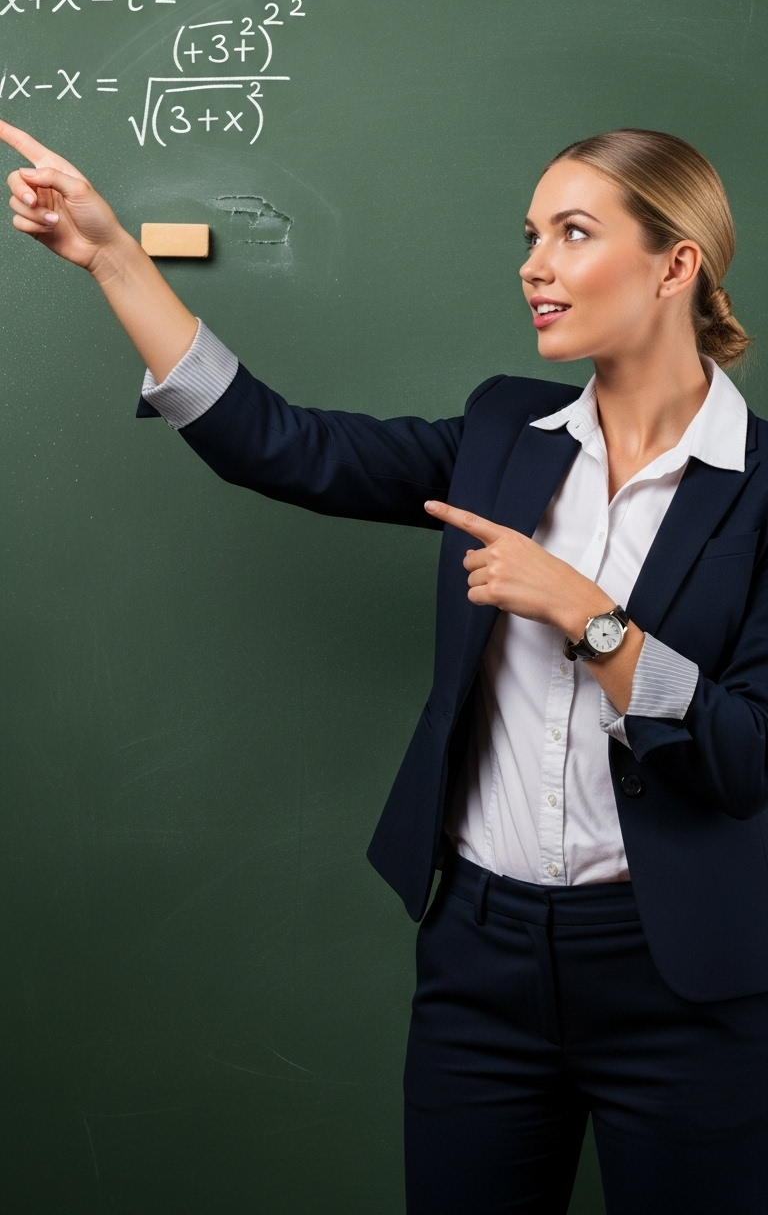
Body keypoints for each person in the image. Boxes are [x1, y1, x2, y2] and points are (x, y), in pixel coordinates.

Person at [3, 117, 768, 1214]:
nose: (532, 263)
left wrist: (596, 622)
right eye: (529, 233)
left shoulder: (762, 489)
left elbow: (746, 758)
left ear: (675, 263)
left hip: (684, 982)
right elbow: (284, 444)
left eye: (572, 231)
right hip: (482, 968)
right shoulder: (507, 432)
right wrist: (113, 254)